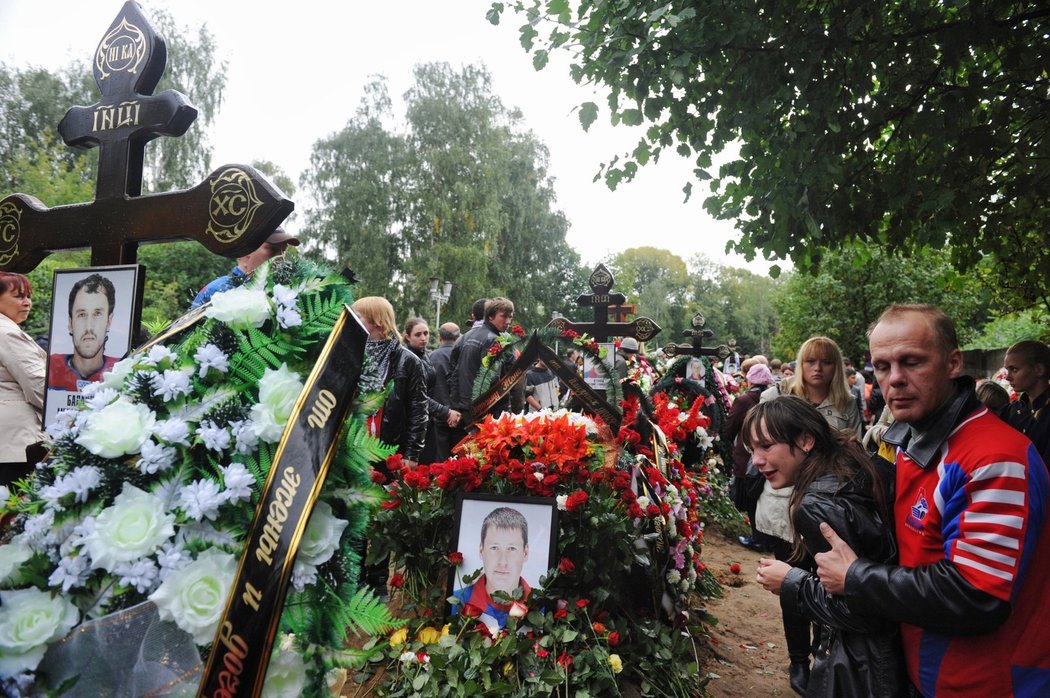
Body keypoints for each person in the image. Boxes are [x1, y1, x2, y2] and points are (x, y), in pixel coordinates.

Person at [815, 304, 1050, 697]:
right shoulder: (914, 440)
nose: (895, 380)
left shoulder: (995, 458)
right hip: (929, 673)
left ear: (953, 362)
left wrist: (855, 578)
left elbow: (976, 594)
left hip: (990, 683)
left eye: (912, 362)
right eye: (883, 366)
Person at [749, 396, 906, 697]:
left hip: (861, 667)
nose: (757, 460)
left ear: (806, 440)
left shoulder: (817, 506)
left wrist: (791, 582)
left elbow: (861, 610)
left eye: (766, 446)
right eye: (752, 449)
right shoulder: (846, 468)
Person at [756, 335, 860, 694]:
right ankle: (798, 658)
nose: (818, 369)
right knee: (791, 581)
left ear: (837, 367)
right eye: (811, 362)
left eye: (826, 362)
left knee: (827, 584)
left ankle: (821, 654)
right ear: (800, 365)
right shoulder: (778, 396)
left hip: (827, 507)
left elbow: (852, 448)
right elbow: (759, 445)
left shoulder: (847, 402)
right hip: (786, 508)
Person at [351, 298, 428, 467]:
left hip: (389, 447)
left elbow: (418, 411)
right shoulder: (351, 353)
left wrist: (412, 454)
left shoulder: (408, 361)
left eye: (359, 316)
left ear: (377, 320)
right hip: (354, 444)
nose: (353, 320)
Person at [0, 272, 47, 486]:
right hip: (15, 443)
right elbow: (38, 386)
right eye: (19, 296)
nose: (27, 303)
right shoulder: (7, 333)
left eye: (28, 296)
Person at [452, 507, 531, 630]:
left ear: (525, 553)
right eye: (494, 548)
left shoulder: (541, 607)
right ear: (481, 550)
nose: (503, 562)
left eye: (512, 549)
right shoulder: (456, 602)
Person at [724, 362, 775, 552]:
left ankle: (758, 539)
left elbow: (729, 428)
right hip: (772, 458)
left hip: (749, 458)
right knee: (766, 498)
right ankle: (768, 539)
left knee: (752, 500)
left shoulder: (744, 401)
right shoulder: (774, 398)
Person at [447, 297, 515, 435]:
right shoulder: (495, 340)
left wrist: (456, 406)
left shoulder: (465, 336)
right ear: (490, 316)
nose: (508, 322)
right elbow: (493, 380)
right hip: (485, 410)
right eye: (503, 316)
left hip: (466, 406)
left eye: (510, 317)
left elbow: (454, 373)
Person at [190, 227, 299, 308]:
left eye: (283, 252)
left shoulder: (283, 294)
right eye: (273, 250)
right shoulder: (216, 291)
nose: (281, 259)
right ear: (246, 250)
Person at [48, 273, 121, 392]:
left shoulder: (121, 369)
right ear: (70, 323)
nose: (89, 327)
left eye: (97, 314)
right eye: (81, 315)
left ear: (109, 321)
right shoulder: (50, 366)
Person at [402, 317, 461, 464]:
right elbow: (416, 396)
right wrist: (445, 411)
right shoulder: (407, 358)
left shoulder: (425, 355)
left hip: (427, 420)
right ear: (407, 336)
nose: (423, 338)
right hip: (412, 423)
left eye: (426, 333)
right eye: (418, 334)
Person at [999, 339, 1050, 468]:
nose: (1007, 377)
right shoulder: (1011, 411)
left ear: (1039, 369)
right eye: (1007, 370)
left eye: (1014, 369)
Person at [427, 322, 461, 460]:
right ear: (458, 337)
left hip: (438, 414)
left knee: (440, 460)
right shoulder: (463, 356)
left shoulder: (430, 357)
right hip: (460, 416)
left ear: (440, 337)